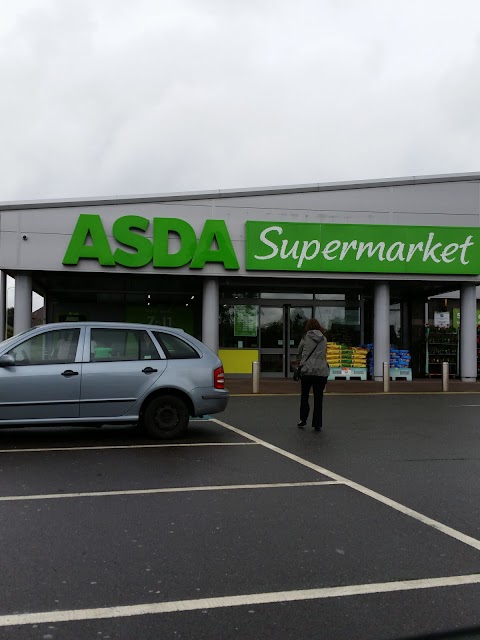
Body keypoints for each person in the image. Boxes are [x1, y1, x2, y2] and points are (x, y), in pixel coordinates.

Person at [296, 318, 330, 431]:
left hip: (307, 371)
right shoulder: (324, 339)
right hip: (321, 372)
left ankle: (303, 420)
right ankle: (317, 423)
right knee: (318, 398)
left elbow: (299, 352)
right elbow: (324, 353)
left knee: (305, 395)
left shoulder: (305, 337)